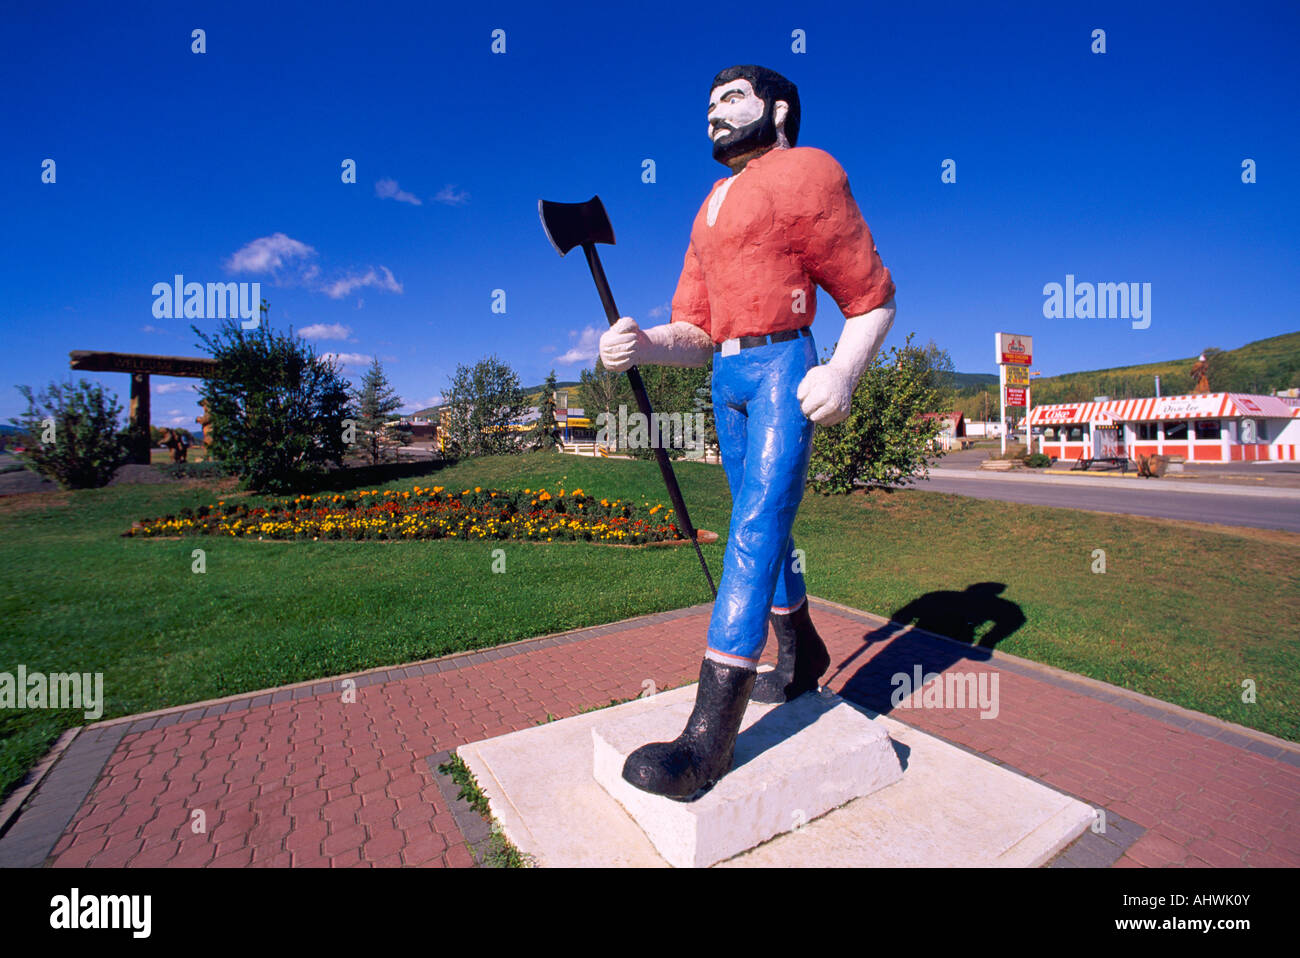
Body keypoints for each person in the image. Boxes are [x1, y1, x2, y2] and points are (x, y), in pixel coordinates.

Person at [598, 65, 898, 801]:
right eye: (708, 104)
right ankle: (799, 653)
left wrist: (844, 373)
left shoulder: (808, 172)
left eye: (731, 99)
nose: (713, 115)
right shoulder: (709, 205)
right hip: (726, 376)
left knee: (756, 526)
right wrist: (642, 343)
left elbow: (872, 297)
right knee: (755, 520)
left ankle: (708, 737)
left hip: (781, 370)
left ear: (780, 108)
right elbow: (697, 329)